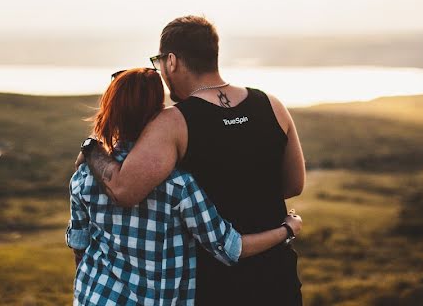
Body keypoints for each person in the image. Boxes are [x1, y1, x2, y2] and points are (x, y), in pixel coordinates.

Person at [83, 16, 306, 305]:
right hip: (278, 278)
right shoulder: (272, 105)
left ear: (172, 61)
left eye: (159, 62)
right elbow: (294, 185)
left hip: (213, 285)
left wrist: (91, 148)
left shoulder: (174, 122)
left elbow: (124, 190)